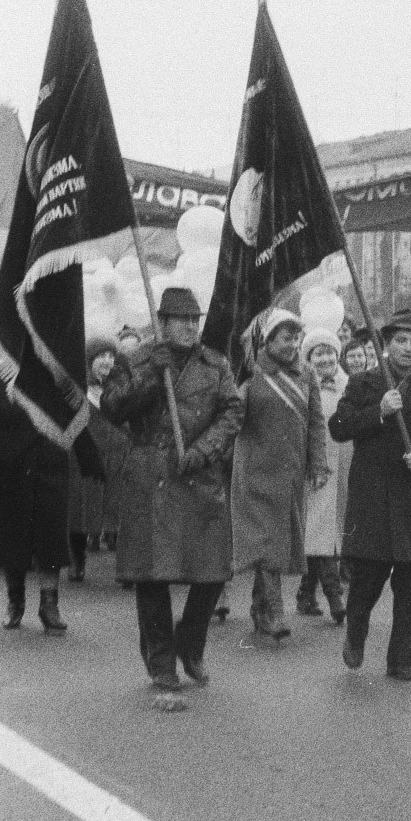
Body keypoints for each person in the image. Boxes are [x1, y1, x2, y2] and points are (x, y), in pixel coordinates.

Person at [101, 287, 244, 691]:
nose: (189, 327)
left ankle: (191, 642)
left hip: (198, 474)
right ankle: (161, 660)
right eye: (181, 319)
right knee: (152, 575)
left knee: (212, 570)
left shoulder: (215, 364)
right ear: (161, 322)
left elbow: (232, 412)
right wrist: (150, 376)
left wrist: (203, 451)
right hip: (151, 475)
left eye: (194, 320)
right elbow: (112, 408)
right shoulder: (135, 360)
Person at [329, 309, 411, 680]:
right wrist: (380, 411)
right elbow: (339, 427)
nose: (407, 348)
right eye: (400, 340)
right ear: (386, 344)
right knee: (367, 580)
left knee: (409, 581)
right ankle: (355, 633)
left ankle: (402, 659)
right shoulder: (364, 383)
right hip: (371, 496)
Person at [0, 366, 101, 632]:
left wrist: (88, 455)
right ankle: (15, 601)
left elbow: (76, 415)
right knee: (12, 538)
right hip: (6, 465)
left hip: (49, 461)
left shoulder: (57, 371)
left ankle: (49, 605)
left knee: (50, 537)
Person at [230, 309, 329, 642]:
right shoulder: (251, 372)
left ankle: (260, 606)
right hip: (255, 469)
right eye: (286, 338)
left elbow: (316, 422)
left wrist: (318, 464)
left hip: (290, 472)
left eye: (296, 338)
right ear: (268, 340)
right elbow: (234, 416)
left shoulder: (307, 374)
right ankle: (274, 612)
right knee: (265, 540)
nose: (293, 345)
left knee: (275, 542)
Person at [297, 329, 351, 623]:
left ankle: (305, 593)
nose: (326, 358)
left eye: (329, 352)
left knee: (328, 529)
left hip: (345, 463)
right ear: (308, 358)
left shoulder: (350, 384)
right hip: (316, 465)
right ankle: (334, 595)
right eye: (318, 353)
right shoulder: (302, 386)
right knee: (320, 529)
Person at [65, 338, 129, 583]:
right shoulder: (77, 387)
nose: (107, 361)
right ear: (89, 360)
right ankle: (77, 559)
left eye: (111, 356)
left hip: (116, 453)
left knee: (119, 509)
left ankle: (126, 568)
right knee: (81, 509)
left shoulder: (121, 386)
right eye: (101, 356)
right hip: (84, 455)